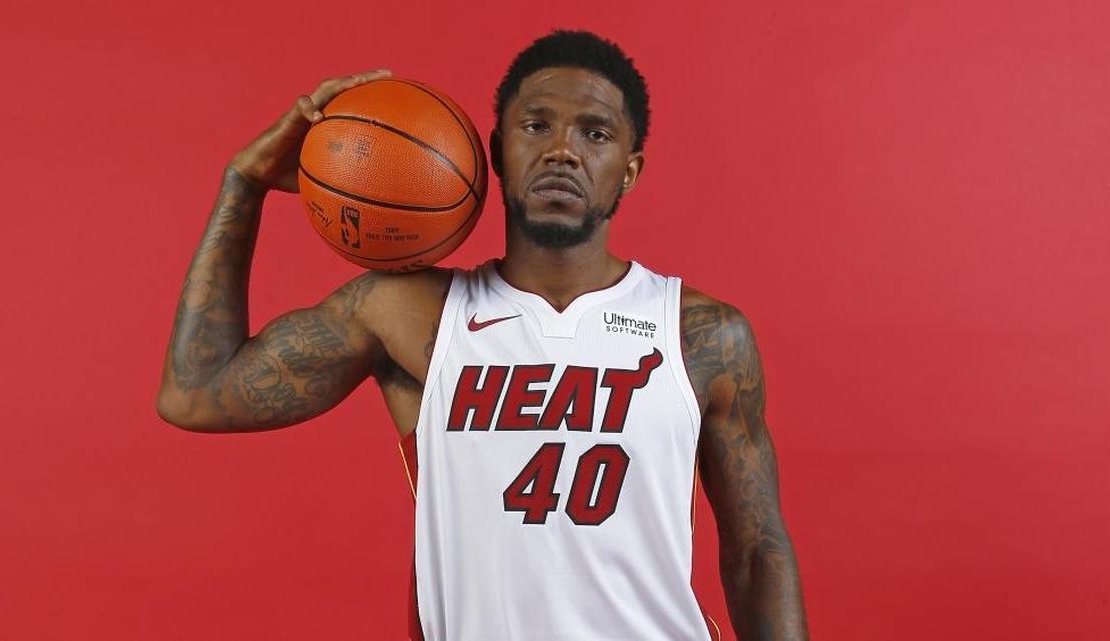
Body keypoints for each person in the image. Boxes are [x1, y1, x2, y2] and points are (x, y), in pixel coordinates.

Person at [157, 30, 809, 641]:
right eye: (536, 125)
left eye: (595, 132)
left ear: (629, 170)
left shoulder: (701, 334)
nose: (563, 149)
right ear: (496, 151)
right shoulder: (407, 315)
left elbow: (758, 552)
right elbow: (196, 391)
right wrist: (242, 185)